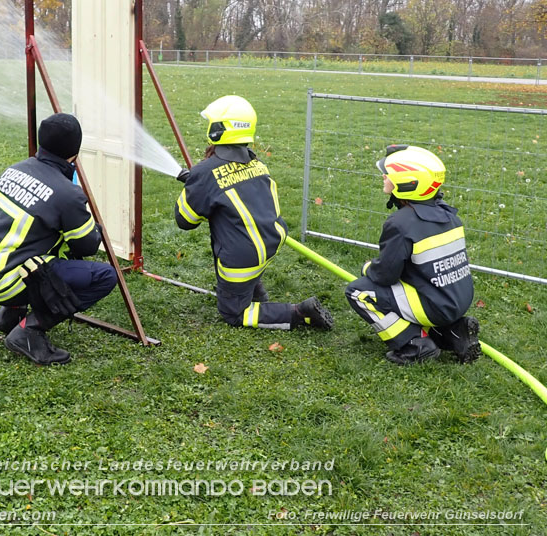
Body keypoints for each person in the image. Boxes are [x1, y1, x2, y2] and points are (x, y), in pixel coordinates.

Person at [174, 95, 334, 331]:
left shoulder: (205, 172)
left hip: (242, 256)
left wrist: (195, 186)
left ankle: (300, 313)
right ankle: (254, 288)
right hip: (271, 240)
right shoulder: (257, 163)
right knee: (242, 243)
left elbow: (185, 220)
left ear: (218, 129)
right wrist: (199, 183)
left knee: (234, 314)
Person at [0, 113, 117, 365]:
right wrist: (96, 228)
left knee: (41, 246)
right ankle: (28, 331)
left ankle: (9, 315)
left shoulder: (15, 169)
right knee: (104, 277)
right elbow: (87, 245)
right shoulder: (67, 194)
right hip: (4, 283)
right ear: (75, 153)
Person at [344, 144, 480, 365]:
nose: (384, 177)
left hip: (435, 304)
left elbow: (384, 276)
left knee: (358, 292)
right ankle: (455, 333)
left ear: (408, 184)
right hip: (456, 298)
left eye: (389, 174)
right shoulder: (450, 216)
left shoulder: (400, 224)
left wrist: (368, 268)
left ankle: (414, 344)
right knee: (417, 295)